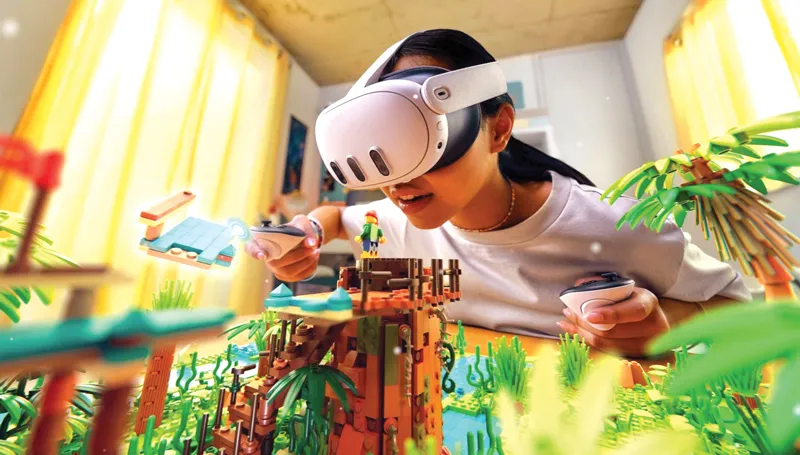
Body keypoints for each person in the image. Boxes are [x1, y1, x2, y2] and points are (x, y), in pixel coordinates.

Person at [246, 29, 751, 357]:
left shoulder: (617, 224)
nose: (398, 182)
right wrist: (308, 233)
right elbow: (337, 217)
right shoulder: (399, 217)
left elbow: (740, 309)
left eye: (421, 139)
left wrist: (665, 324)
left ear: (499, 128)